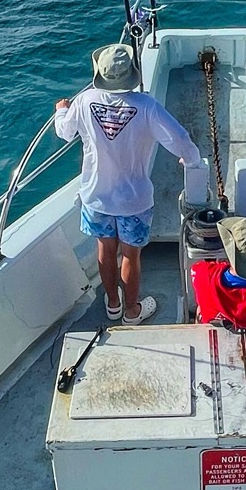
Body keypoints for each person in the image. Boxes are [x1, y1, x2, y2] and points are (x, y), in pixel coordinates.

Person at [54, 43, 201, 325]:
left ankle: (112, 304)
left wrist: (62, 111)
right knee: (130, 257)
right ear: (132, 74)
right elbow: (179, 139)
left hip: (96, 196)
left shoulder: (84, 101)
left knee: (105, 250)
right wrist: (192, 162)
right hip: (134, 201)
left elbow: (65, 132)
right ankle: (131, 311)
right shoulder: (146, 106)